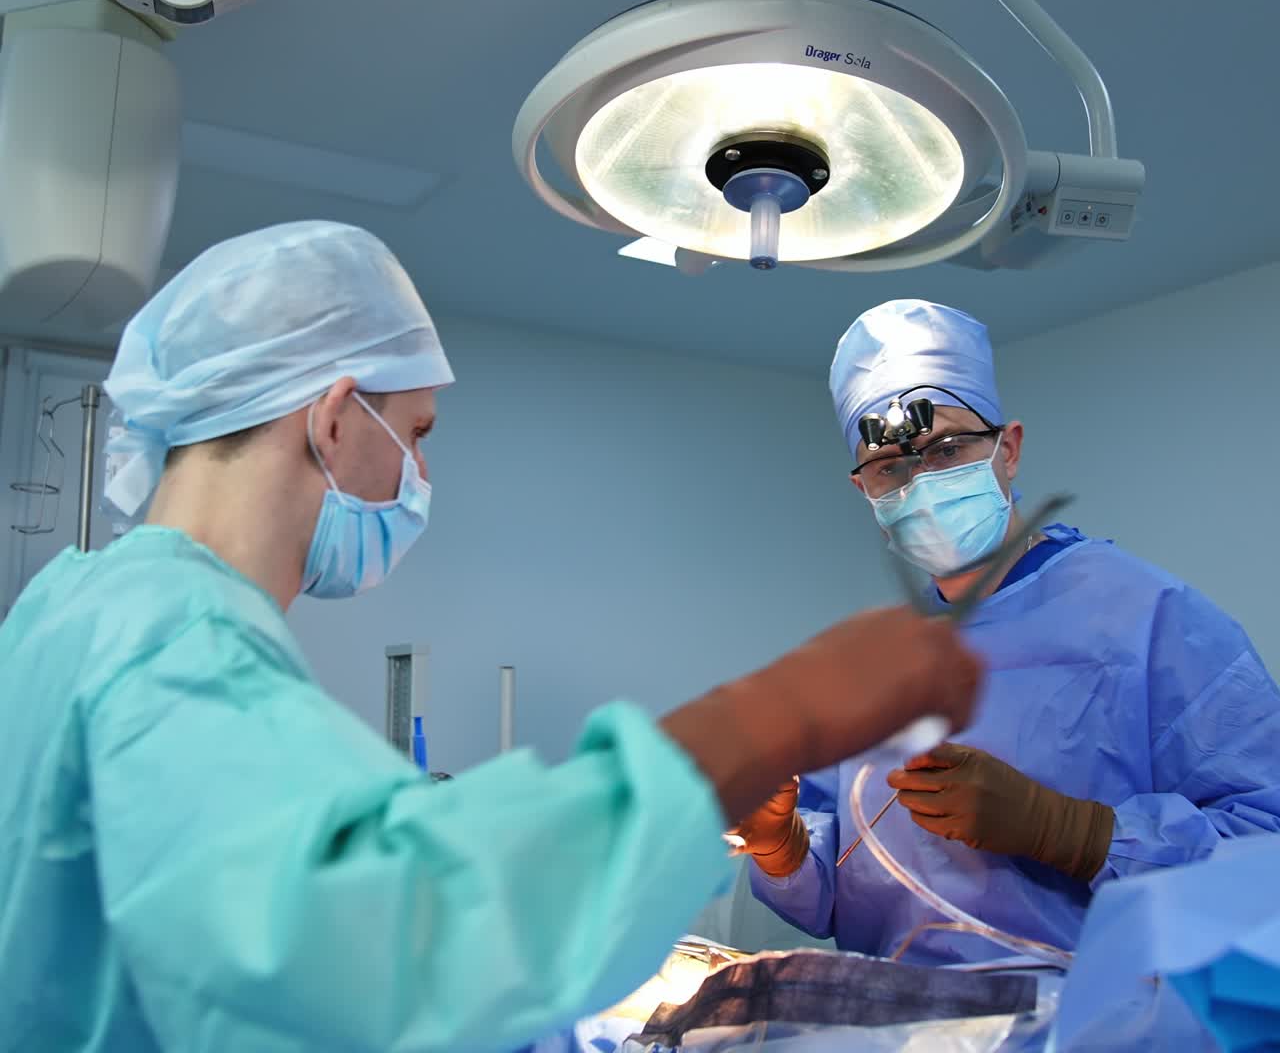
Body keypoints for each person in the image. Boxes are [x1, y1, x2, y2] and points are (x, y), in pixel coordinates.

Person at [0, 227, 981, 1053]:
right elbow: (394, 939)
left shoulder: (71, 609)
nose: (419, 470)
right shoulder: (174, 640)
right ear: (336, 419)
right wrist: (772, 714)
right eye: (416, 431)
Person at [739, 298, 1280, 965]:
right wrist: (779, 842)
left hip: (1101, 1023)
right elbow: (836, 888)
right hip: (902, 1022)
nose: (921, 481)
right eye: (890, 466)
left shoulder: (1148, 617)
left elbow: (1265, 849)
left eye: (947, 448)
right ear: (865, 490)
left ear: (1009, 448)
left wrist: (1074, 832)